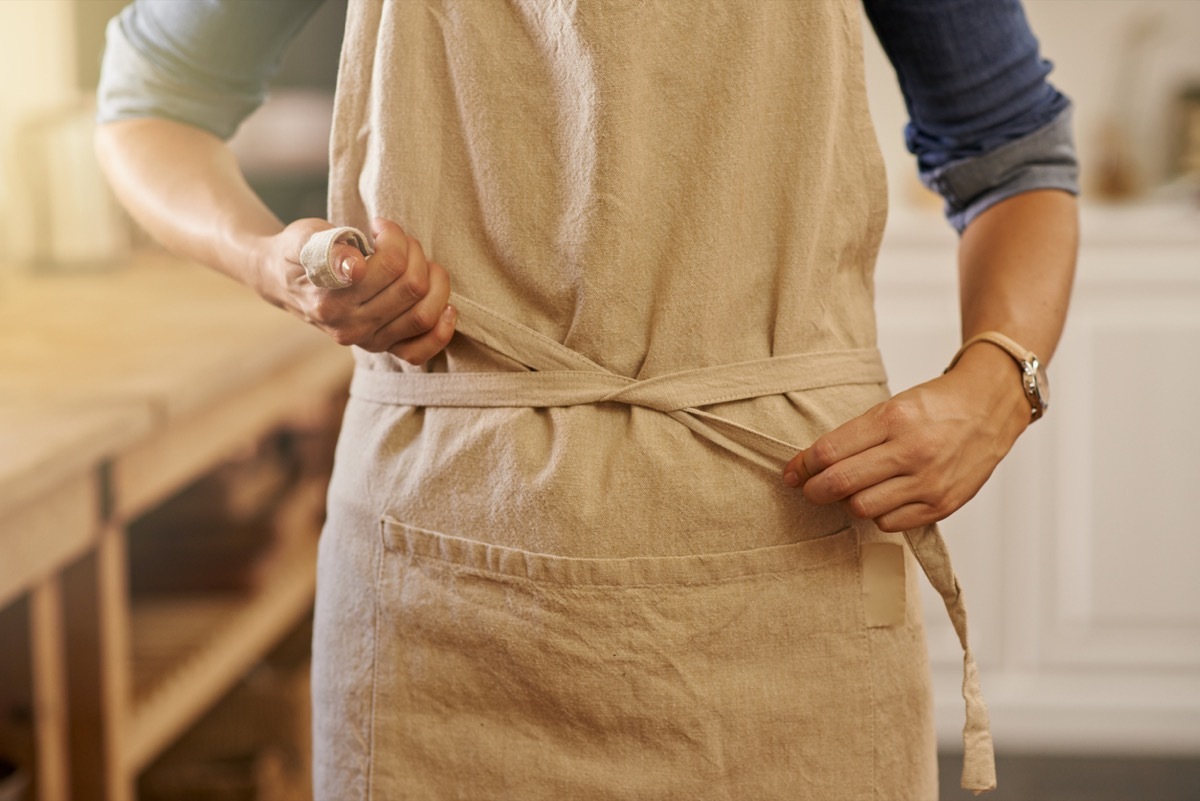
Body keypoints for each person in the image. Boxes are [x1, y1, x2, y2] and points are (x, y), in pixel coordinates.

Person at [95, 1, 1078, 798]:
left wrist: (1002, 380)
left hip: (784, 568)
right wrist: (276, 264)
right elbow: (148, 104)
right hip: (439, 603)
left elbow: (1014, 152)